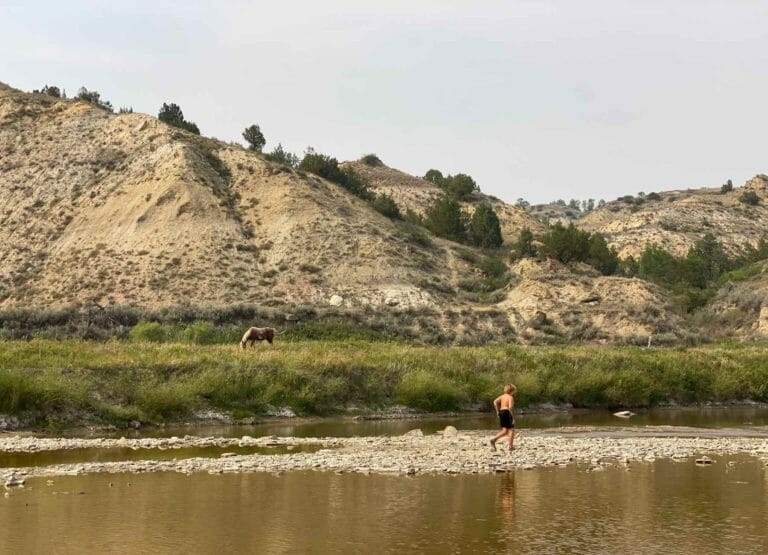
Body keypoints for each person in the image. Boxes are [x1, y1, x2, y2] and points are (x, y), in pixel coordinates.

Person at [490, 384, 516, 451]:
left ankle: (494, 439)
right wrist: (513, 417)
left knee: (505, 430)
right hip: (507, 412)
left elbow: (495, 402)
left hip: (501, 412)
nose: (514, 392)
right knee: (511, 430)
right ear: (512, 391)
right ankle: (510, 446)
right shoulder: (510, 397)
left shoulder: (502, 396)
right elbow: (510, 407)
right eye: (514, 391)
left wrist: (497, 411)